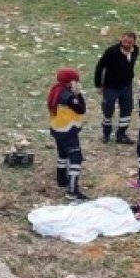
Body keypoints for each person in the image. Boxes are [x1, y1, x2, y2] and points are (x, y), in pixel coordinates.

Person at [48, 67, 90, 201]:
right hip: (68, 130)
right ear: (71, 82)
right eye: (76, 81)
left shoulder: (56, 90)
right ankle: (72, 191)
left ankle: (62, 181)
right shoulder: (69, 97)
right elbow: (81, 109)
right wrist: (78, 94)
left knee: (63, 155)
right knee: (76, 158)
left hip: (57, 128)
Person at [93, 32, 140, 144]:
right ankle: (106, 135)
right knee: (108, 110)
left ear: (134, 43)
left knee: (127, 110)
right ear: (121, 40)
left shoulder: (135, 50)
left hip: (126, 86)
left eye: (130, 42)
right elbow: (100, 67)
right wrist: (98, 84)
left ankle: (121, 134)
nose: (127, 44)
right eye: (125, 41)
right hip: (111, 87)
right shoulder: (111, 52)